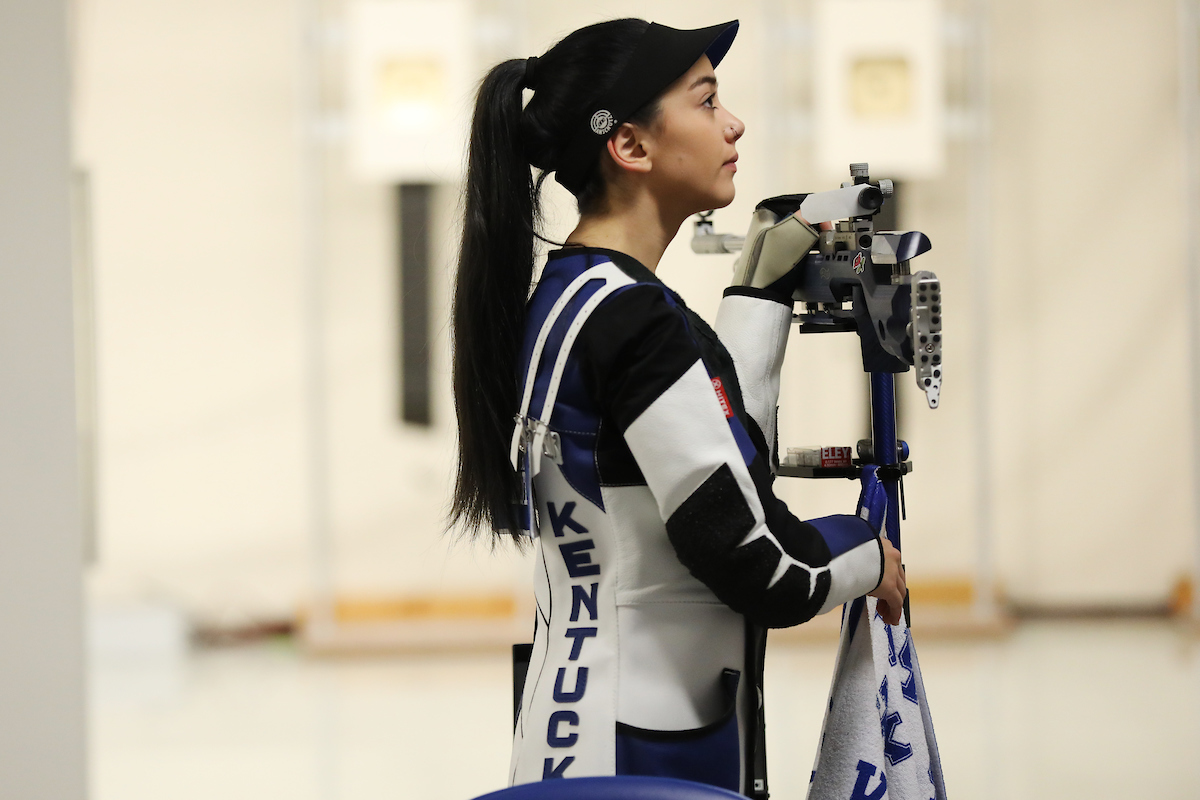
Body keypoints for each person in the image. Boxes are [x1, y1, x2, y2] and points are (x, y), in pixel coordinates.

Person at [449, 18, 906, 798]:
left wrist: (758, 291)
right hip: (654, 758)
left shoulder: (572, 300)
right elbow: (765, 567)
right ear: (630, 146)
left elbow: (717, 460)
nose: (734, 123)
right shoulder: (637, 321)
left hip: (576, 736)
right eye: (707, 101)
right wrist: (868, 552)